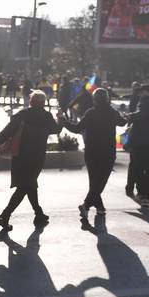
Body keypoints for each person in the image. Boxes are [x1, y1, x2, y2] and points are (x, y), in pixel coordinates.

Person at [0, 90, 60, 230]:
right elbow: (56, 130)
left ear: (31, 101)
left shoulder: (23, 115)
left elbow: (8, 130)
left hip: (20, 156)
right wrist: (62, 119)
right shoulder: (46, 116)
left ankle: (32, 214)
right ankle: (10, 215)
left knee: (26, 185)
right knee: (27, 185)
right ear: (43, 103)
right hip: (37, 157)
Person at [59, 88, 125, 218]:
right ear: (107, 99)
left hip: (92, 150)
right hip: (107, 151)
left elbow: (77, 129)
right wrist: (128, 117)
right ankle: (87, 205)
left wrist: (64, 121)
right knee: (100, 181)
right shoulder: (112, 112)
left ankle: (98, 207)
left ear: (94, 100)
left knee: (94, 180)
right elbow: (122, 122)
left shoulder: (90, 113)